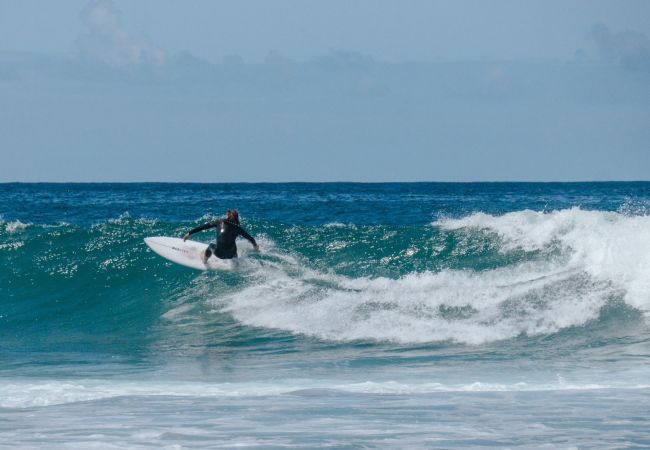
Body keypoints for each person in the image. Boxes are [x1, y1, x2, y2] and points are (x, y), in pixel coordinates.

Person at [183, 209, 259, 261]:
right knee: (233, 244)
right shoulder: (238, 228)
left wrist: (189, 233)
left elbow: (203, 227)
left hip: (219, 254)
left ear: (228, 215)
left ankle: (204, 259)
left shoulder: (219, 222)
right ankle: (236, 263)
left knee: (211, 246)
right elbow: (251, 238)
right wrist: (255, 246)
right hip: (231, 255)